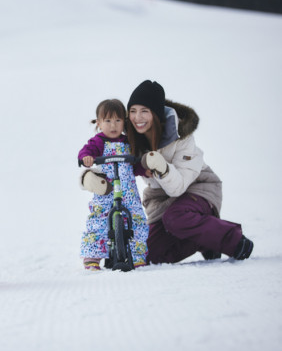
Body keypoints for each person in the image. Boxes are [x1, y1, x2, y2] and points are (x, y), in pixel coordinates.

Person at [126, 80, 254, 264]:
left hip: (198, 190)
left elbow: (177, 188)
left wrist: (162, 168)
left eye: (144, 110)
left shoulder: (181, 137)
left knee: (175, 218)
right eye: (133, 111)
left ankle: (233, 240)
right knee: (147, 254)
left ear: (156, 113)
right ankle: (206, 240)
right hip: (163, 201)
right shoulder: (131, 137)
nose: (138, 117)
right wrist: (90, 176)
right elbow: (108, 154)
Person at [78, 99, 149, 270]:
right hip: (106, 190)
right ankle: (92, 255)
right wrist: (86, 158)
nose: (113, 125)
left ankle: (137, 254)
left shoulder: (127, 142)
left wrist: (143, 169)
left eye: (118, 120)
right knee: (99, 220)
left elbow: (136, 163)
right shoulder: (98, 141)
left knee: (137, 219)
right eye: (108, 121)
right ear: (99, 123)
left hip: (129, 192)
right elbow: (86, 151)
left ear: (124, 122)